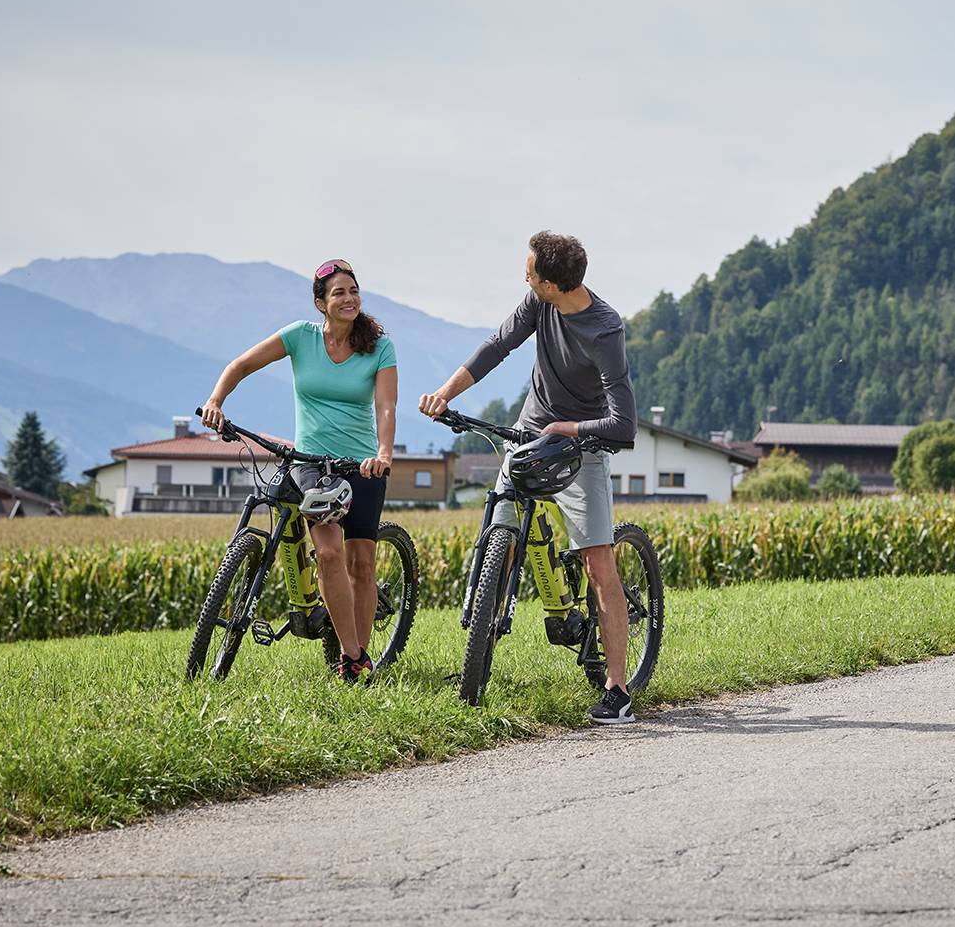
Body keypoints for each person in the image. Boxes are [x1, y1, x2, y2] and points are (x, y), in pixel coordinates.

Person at [418, 231, 640, 724]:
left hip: (583, 447)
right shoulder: (538, 304)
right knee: (502, 530)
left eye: (531, 270)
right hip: (529, 433)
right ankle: (478, 657)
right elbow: (497, 345)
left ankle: (618, 689)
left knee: (598, 564)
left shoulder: (604, 329)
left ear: (553, 284)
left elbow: (624, 424)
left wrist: (572, 428)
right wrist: (445, 393)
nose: (524, 275)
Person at [200, 259, 397, 683]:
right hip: (313, 464)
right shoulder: (299, 337)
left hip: (362, 465)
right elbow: (241, 365)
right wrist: (217, 401)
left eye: (353, 291)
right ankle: (349, 654)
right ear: (320, 304)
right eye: (338, 293)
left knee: (362, 563)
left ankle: (361, 658)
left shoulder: (379, 345)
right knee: (329, 553)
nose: (348, 299)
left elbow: (385, 405)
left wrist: (383, 451)